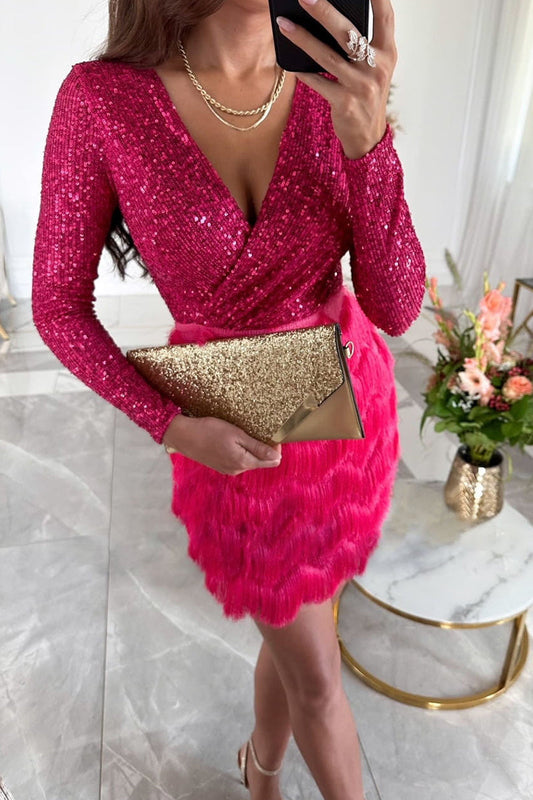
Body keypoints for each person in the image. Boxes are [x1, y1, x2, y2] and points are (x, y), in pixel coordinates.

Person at [31, 0, 426, 797]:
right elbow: (57, 306)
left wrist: (369, 146)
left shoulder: (335, 85)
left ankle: (261, 768)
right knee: (318, 678)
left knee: (302, 641)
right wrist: (169, 424)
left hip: (346, 417)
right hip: (234, 437)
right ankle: (265, 768)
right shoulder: (102, 101)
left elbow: (396, 307)